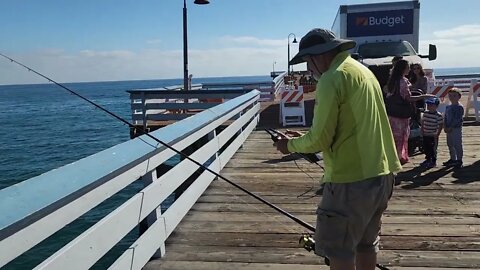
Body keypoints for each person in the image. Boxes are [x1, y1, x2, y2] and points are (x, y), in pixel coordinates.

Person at [273, 28, 401, 270]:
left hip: (350, 182)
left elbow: (319, 139)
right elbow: (348, 126)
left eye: (307, 63)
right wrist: (304, 138)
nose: (309, 70)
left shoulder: (332, 78)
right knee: (366, 244)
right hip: (382, 174)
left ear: (318, 56)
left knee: (339, 250)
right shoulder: (363, 71)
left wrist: (288, 145)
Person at [384, 59, 433, 164]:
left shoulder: (393, 80)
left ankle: (392, 156)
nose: (409, 70)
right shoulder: (403, 81)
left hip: (392, 112)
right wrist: (424, 96)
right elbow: (408, 98)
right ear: (403, 69)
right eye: (408, 68)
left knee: (393, 135)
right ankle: (399, 157)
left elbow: (388, 94)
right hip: (402, 113)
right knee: (401, 136)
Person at [443, 88, 464, 168]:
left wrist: (451, 127)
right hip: (448, 128)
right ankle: (453, 159)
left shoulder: (459, 107)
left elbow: (457, 119)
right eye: (450, 96)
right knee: (450, 144)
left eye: (454, 96)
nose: (452, 97)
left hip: (456, 129)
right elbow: (445, 117)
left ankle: (459, 160)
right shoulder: (448, 106)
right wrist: (445, 126)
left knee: (457, 144)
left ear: (459, 97)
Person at [420, 97, 444, 168]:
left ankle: (433, 161)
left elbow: (440, 125)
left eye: (432, 105)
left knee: (433, 149)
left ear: (436, 106)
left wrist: (437, 133)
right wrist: (422, 130)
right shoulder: (425, 113)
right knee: (426, 147)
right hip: (425, 133)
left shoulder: (438, 115)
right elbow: (423, 122)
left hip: (433, 135)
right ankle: (427, 159)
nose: (429, 107)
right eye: (428, 105)